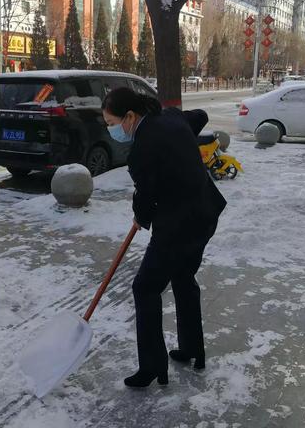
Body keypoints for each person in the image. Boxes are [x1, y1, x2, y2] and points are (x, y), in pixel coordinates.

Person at [101, 87, 226, 388]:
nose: (111, 130)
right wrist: (181, 137)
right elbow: (200, 116)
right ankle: (193, 350)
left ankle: (153, 367)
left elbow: (145, 199)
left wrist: (140, 217)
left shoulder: (141, 150)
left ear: (130, 117)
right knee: (183, 277)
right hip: (206, 213)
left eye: (111, 123)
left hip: (178, 226)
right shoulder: (169, 116)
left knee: (144, 288)